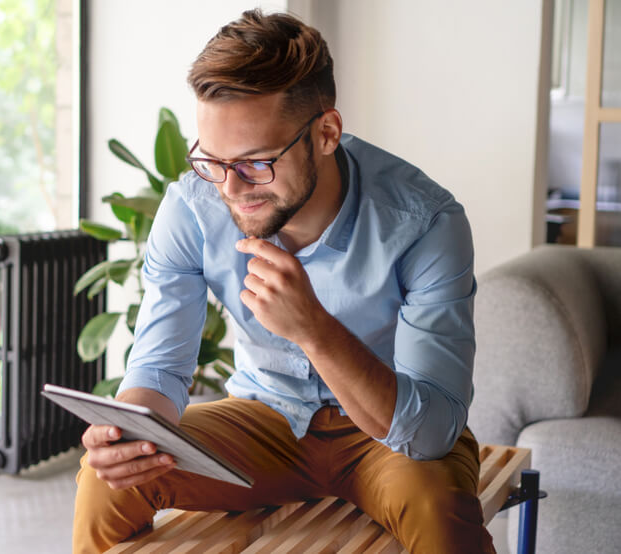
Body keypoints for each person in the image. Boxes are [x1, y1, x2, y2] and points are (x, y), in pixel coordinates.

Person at [74, 9, 495, 554]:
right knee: (105, 483)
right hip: (263, 418)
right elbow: (159, 367)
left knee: (441, 513)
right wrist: (131, 434)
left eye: (255, 162)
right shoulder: (192, 209)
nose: (230, 186)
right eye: (212, 161)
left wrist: (315, 329)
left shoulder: (425, 222)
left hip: (387, 434)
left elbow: (431, 430)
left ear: (326, 132)